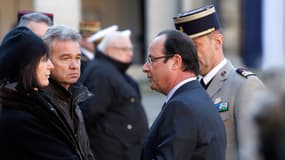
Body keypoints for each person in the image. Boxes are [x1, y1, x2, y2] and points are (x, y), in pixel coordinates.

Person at [173, 4, 265, 160]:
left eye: (195, 46)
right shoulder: (190, 89)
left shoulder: (244, 86)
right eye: (185, 49)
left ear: (217, 41)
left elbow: (252, 152)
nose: (190, 55)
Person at [141, 30, 226, 160]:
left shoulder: (182, 107)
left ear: (176, 62)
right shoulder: (195, 97)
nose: (145, 67)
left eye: (151, 60)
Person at [0, 27, 75, 159]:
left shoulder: (35, 103)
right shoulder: (20, 119)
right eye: (44, 59)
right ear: (26, 65)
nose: (51, 66)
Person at [79, 30, 148, 160]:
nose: (130, 53)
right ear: (109, 50)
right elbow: (89, 112)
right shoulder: (102, 73)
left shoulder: (111, 70)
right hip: (113, 153)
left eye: (131, 49)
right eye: (124, 49)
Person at [42, 25, 94, 160]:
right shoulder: (41, 104)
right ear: (46, 61)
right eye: (65, 58)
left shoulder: (74, 97)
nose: (74, 65)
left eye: (77, 58)